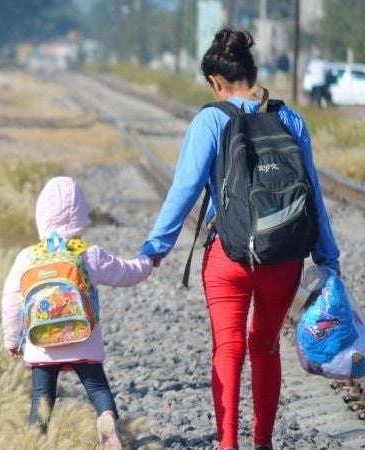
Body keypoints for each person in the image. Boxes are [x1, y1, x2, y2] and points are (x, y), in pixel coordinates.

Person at [140, 28, 339, 450]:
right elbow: (314, 196)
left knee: (228, 350)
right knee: (265, 347)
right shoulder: (290, 118)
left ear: (216, 82)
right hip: (283, 257)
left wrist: (155, 249)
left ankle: (227, 444)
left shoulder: (211, 119)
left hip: (228, 258)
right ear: (252, 72)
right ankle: (262, 443)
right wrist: (328, 257)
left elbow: (184, 191)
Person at [1, 176, 153, 449]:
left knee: (41, 397)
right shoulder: (89, 254)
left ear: (41, 216)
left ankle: (36, 440)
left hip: (42, 344)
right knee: (97, 389)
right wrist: (148, 260)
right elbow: (126, 273)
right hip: (83, 339)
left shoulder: (28, 257)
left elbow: (11, 301)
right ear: (81, 215)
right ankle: (106, 419)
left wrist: (12, 340)